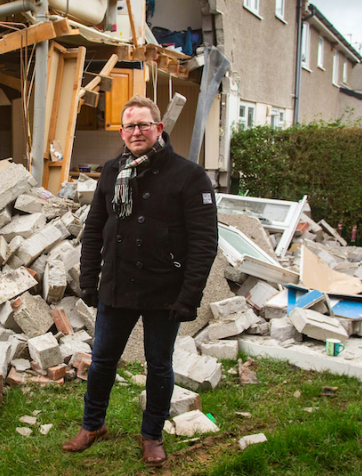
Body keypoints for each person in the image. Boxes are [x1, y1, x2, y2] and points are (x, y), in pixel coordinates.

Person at [62, 95, 218, 466]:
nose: (136, 132)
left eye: (143, 125)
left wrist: (188, 297)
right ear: (122, 131)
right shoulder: (113, 171)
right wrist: (89, 280)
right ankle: (92, 425)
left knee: (159, 365)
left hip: (164, 289)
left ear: (158, 128)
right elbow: (94, 229)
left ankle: (152, 436)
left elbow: (204, 242)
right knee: (102, 361)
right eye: (129, 126)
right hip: (117, 285)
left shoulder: (189, 175)